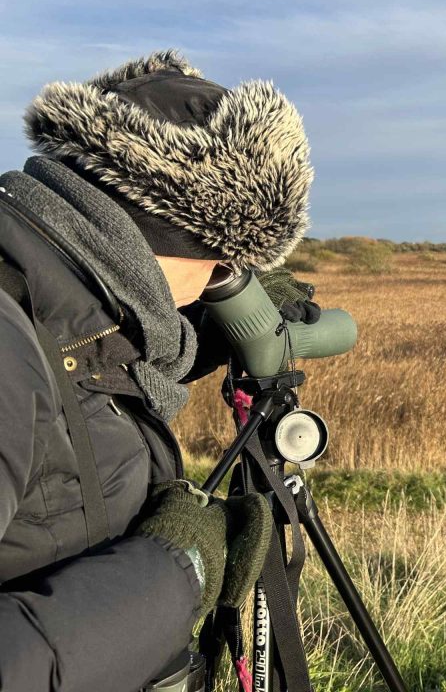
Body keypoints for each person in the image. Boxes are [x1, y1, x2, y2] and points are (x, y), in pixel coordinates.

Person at [0, 50, 318, 691]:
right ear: (175, 239)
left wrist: (214, 334)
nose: (218, 285)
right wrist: (177, 571)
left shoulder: (53, 286)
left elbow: (91, 363)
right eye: (225, 262)